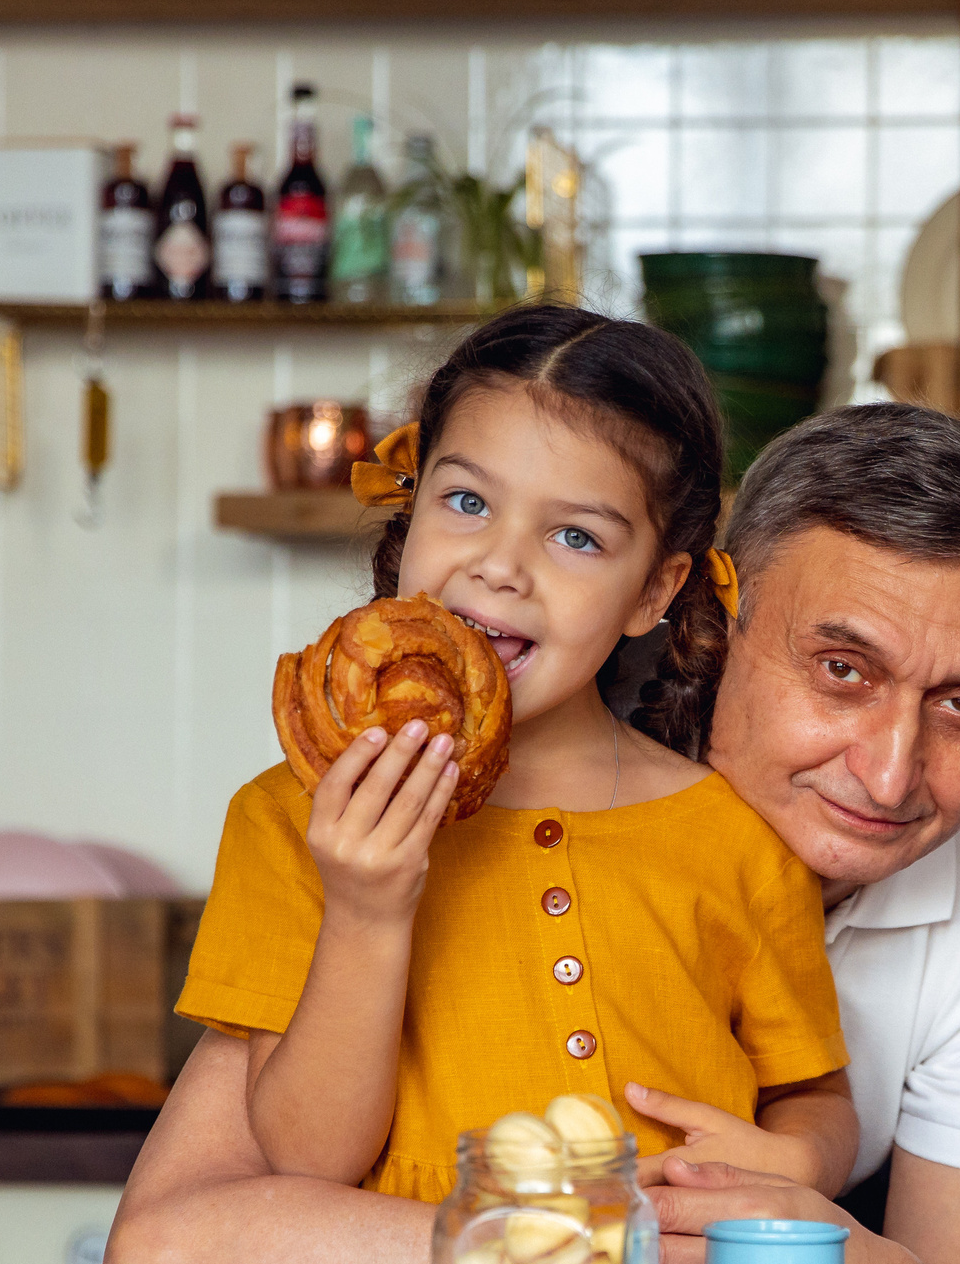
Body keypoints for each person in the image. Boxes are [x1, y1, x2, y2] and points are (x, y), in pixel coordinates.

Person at [104, 402, 960, 1264]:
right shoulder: (488, 754)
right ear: (709, 612)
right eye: (841, 670)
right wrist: (593, 1258)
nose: (889, 774)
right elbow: (167, 1263)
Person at [182, 302, 857, 1208]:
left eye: (576, 536)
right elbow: (308, 1160)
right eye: (467, 502)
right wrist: (366, 910)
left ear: (654, 591)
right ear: (412, 505)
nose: (501, 565)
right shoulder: (292, 819)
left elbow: (815, 1096)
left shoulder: (733, 839)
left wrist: (802, 1161)